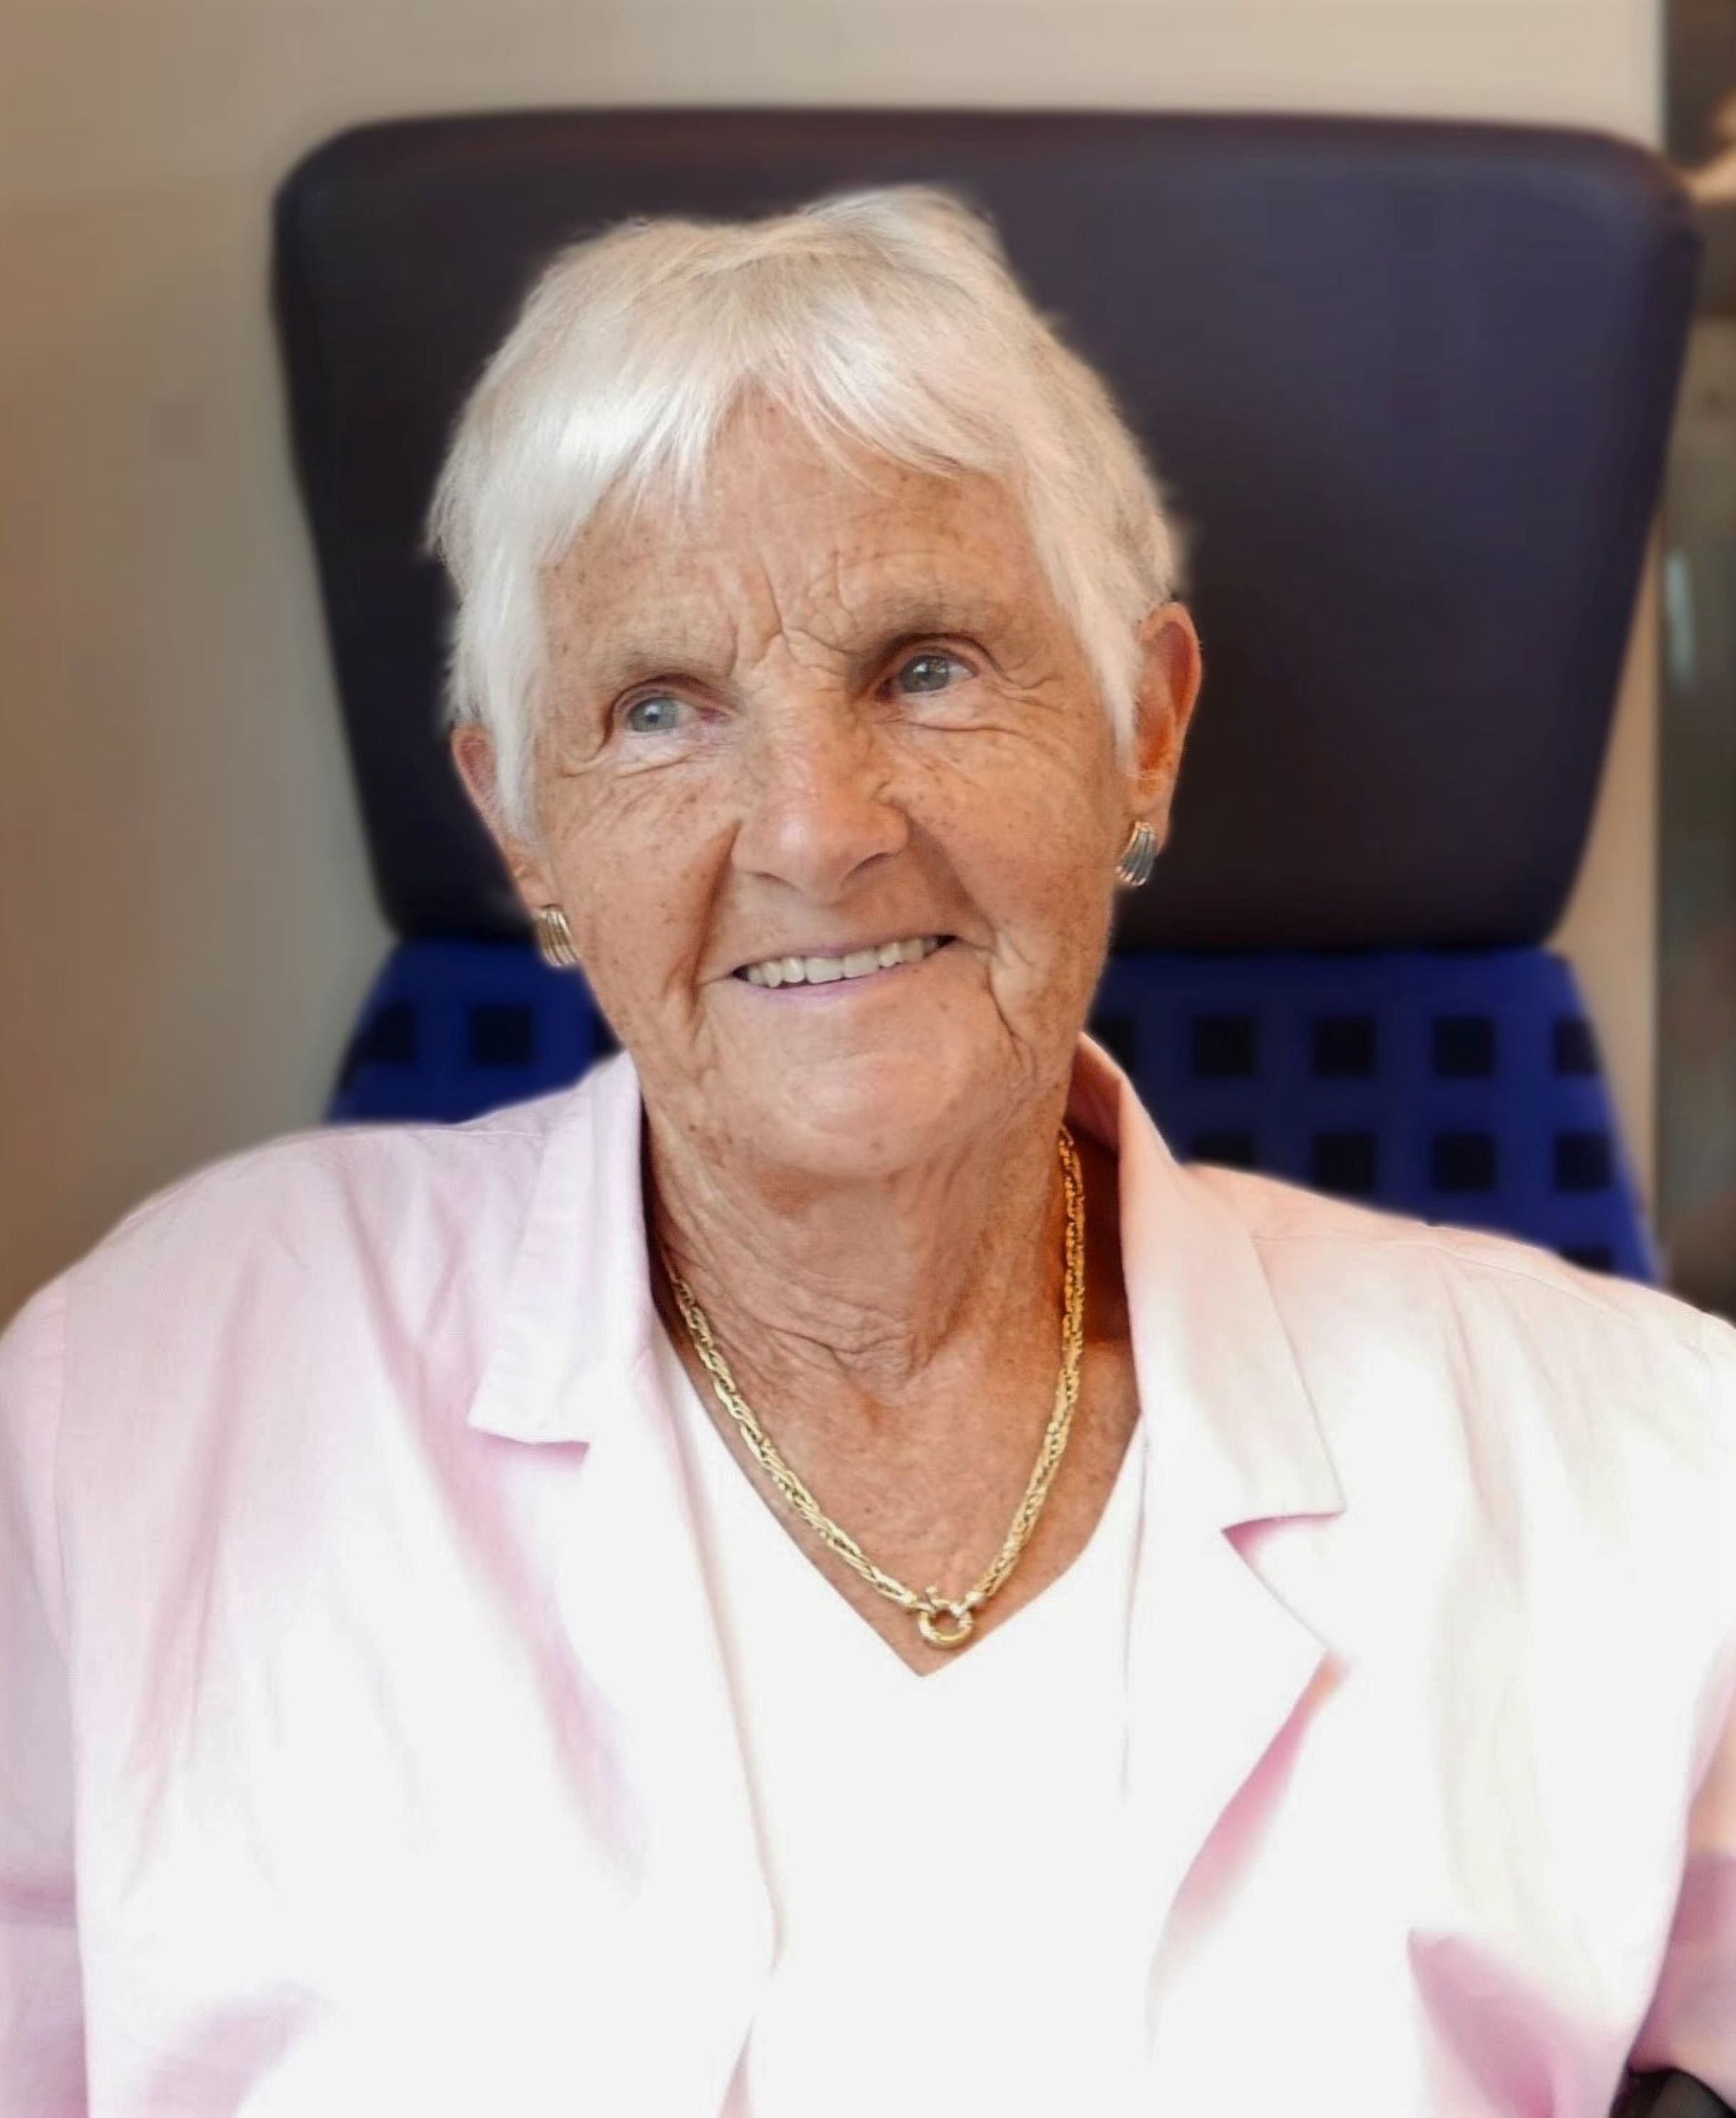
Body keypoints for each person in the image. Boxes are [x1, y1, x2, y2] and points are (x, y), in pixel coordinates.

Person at [1, 185, 1732, 2118]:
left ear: (1144, 734)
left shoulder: (1645, 1463)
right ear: (524, 831)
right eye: (660, 708)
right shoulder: (150, 1403)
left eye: (926, 666)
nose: (817, 829)